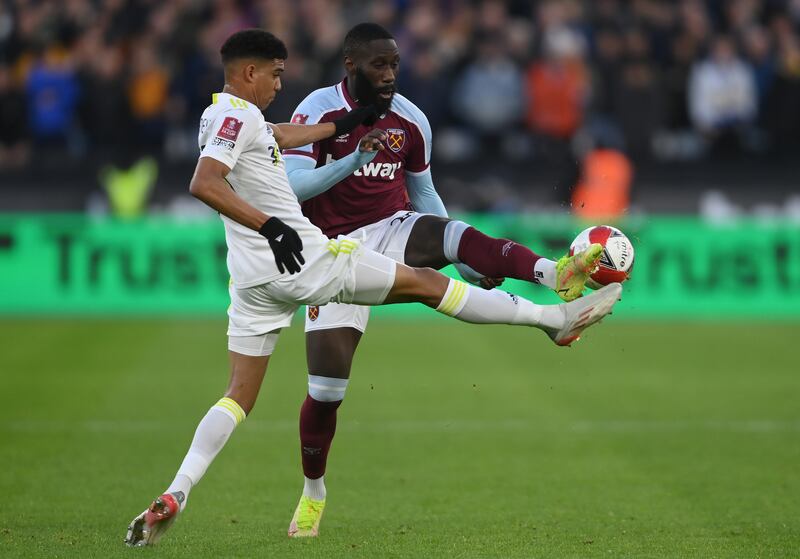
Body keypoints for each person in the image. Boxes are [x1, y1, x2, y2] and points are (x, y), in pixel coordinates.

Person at [124, 28, 621, 547]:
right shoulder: (256, 114)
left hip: (258, 277)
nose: (280, 82)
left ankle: (177, 491)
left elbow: (284, 138)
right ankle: (552, 322)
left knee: (237, 396)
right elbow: (214, 183)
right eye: (274, 73)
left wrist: (347, 128)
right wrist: (287, 212)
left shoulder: (222, 116)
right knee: (360, 357)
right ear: (251, 72)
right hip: (311, 256)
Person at [281, 23, 607, 538]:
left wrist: (461, 257)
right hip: (332, 251)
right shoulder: (317, 111)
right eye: (378, 65)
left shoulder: (411, 119)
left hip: (392, 229)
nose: (389, 75)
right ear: (350, 65)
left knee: (451, 231)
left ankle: (556, 274)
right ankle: (313, 492)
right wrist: (354, 159)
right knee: (325, 392)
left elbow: (425, 194)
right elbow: (294, 187)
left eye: (394, 65)